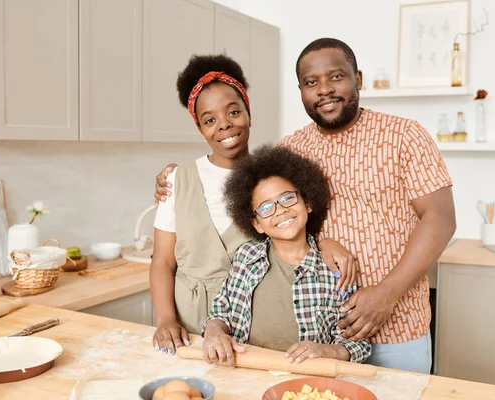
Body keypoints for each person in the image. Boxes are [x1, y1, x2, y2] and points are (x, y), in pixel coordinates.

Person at [154, 38, 456, 374]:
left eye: (337, 77)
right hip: (319, 337)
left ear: (358, 78)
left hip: (397, 326)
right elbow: (280, 219)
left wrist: (386, 294)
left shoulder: (405, 135)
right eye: (312, 83)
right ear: (301, 90)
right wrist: (323, 240)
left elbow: (440, 219)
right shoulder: (292, 148)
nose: (324, 90)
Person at [201, 145, 371, 366]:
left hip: (307, 383)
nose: (280, 210)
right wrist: (214, 331)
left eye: (287, 198)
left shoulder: (335, 268)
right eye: (266, 207)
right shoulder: (246, 256)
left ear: (307, 203)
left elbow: (359, 343)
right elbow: (222, 310)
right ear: (256, 224)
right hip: (246, 370)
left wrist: (328, 351)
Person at [149, 54, 254, 356]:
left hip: (252, 322)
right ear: (200, 128)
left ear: (248, 112)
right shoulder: (178, 179)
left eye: (233, 111)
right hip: (189, 326)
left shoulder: (271, 179)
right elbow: (163, 261)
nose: (224, 125)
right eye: (210, 120)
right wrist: (166, 319)